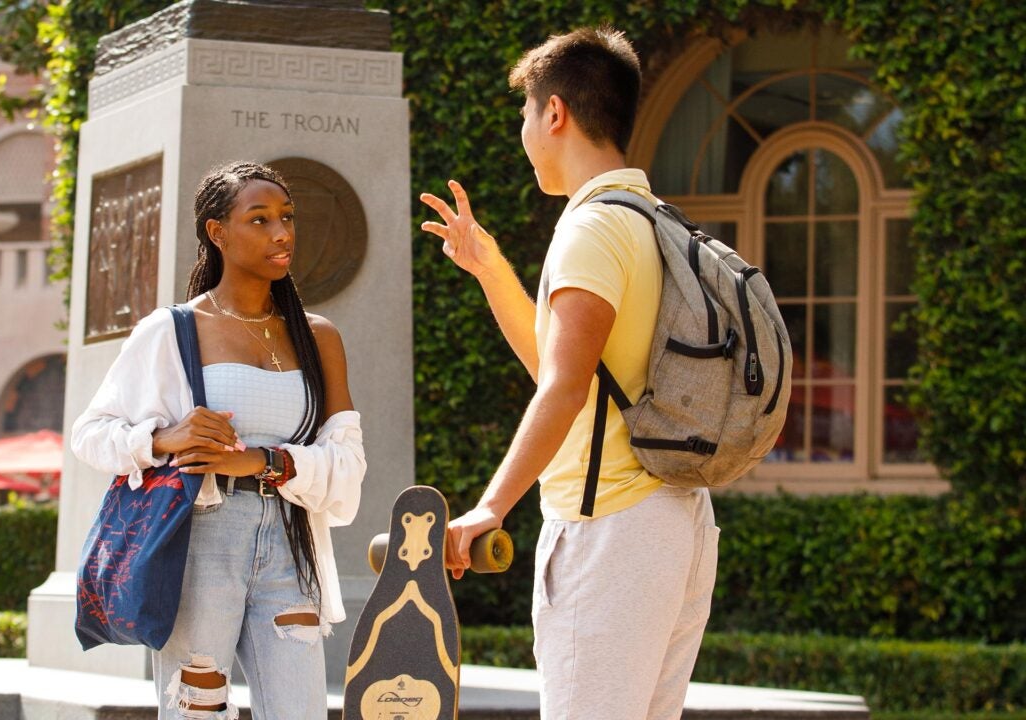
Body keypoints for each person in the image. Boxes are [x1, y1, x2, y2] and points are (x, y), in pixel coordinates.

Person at [420, 27, 720, 719]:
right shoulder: (649, 218)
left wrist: (490, 505)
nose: (525, 131)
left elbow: (565, 387)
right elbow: (572, 373)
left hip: (610, 526)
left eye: (526, 113)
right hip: (675, 518)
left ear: (554, 113)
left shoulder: (590, 228)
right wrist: (492, 269)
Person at [72, 161, 366, 719]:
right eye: (259, 220)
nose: (281, 233)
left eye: (287, 217)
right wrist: (162, 439)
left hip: (289, 543)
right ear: (218, 232)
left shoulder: (318, 336)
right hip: (201, 547)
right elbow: (89, 433)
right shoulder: (172, 329)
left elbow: (348, 463)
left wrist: (266, 462)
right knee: (197, 711)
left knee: (300, 712)